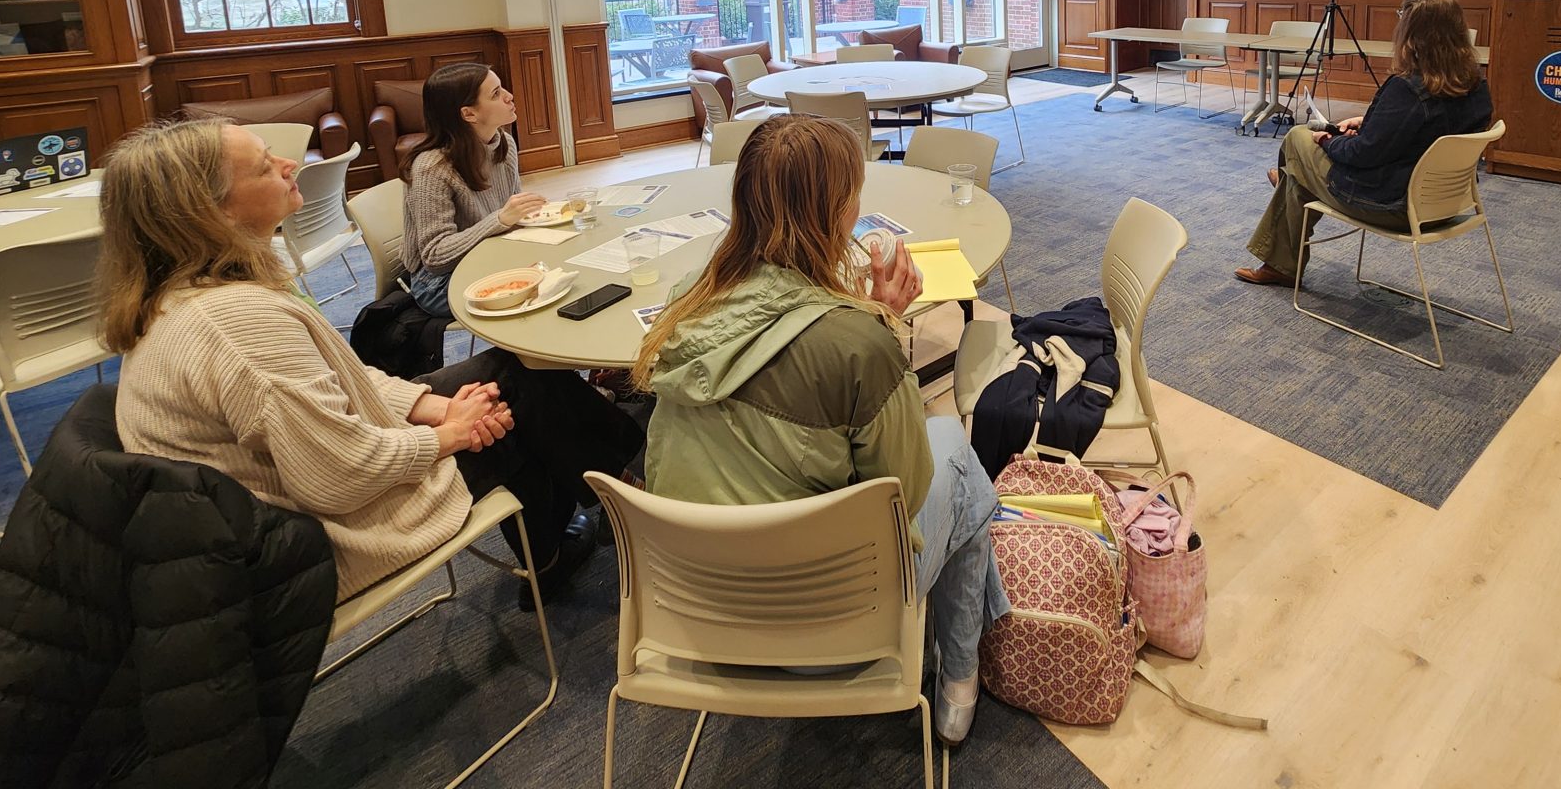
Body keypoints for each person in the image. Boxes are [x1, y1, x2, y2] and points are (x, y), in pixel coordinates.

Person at [104, 118, 644, 604]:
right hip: (315, 535)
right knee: (508, 412)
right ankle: (629, 506)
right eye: (267, 165)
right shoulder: (236, 323)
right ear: (212, 211)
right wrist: (447, 435)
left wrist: (428, 404)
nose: (292, 164)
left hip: (313, 472)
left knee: (515, 373)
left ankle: (586, 515)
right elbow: (338, 476)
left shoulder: (197, 286)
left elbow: (340, 377)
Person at [633, 115, 1010, 747]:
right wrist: (883, 327)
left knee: (951, 469)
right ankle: (960, 680)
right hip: (831, 632)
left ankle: (973, 654)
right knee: (956, 454)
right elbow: (903, 494)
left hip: (695, 610)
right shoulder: (854, 344)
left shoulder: (686, 305)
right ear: (837, 210)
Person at [1236, 0, 1491, 286]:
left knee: (1299, 136)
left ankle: (1291, 182)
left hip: (1394, 205)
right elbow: (1421, 134)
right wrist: (1370, 124)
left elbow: (1362, 155)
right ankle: (1289, 198)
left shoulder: (1407, 89)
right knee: (1299, 177)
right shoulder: (1477, 86)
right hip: (1446, 203)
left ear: (1410, 30)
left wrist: (1329, 140)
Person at [402, 62, 546, 319]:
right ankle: (523, 357)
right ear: (469, 114)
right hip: (437, 282)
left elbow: (512, 218)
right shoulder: (431, 168)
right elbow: (435, 256)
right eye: (496, 93)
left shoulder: (504, 143)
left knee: (562, 266)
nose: (508, 96)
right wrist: (500, 220)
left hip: (490, 254)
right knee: (541, 290)